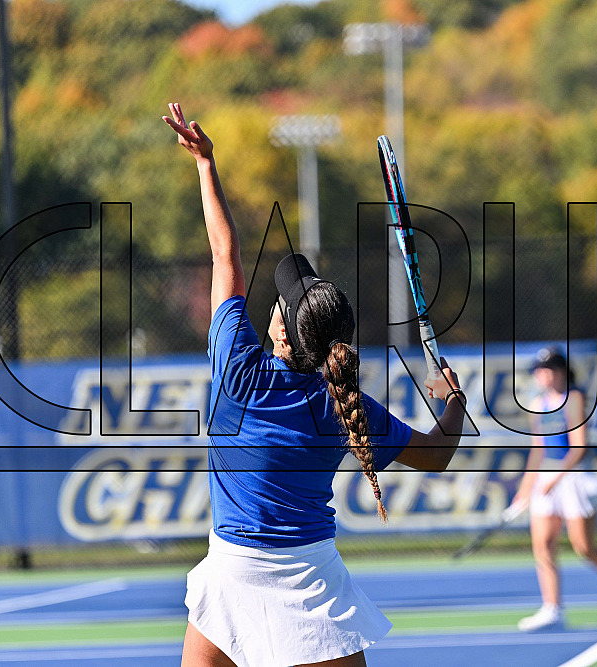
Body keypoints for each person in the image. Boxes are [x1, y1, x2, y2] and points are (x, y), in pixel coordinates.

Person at [162, 103, 467, 667]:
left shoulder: (236, 371)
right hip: (310, 583)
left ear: (279, 328)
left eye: (279, 301)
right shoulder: (344, 403)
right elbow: (438, 454)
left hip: (231, 577)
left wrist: (206, 165)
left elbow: (223, 252)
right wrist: (452, 403)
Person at [514, 348, 597, 630]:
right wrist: (525, 488)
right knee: (543, 545)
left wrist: (557, 476)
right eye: (539, 370)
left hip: (574, 479)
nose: (542, 375)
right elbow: (537, 449)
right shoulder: (537, 404)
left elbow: (580, 446)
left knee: (584, 547)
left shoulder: (574, 398)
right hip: (546, 479)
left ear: (560, 371)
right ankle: (552, 609)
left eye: (548, 369)